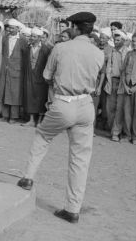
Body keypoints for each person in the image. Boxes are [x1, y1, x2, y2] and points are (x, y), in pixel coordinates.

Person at [16, 12, 104, 224]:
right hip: (86, 105)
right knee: (80, 159)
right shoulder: (98, 53)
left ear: (74, 27)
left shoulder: (61, 48)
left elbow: (46, 76)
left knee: (43, 136)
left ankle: (28, 177)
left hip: (64, 102)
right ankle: (72, 209)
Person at [98, 30, 129, 139]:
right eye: (115, 40)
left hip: (122, 82)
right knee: (109, 108)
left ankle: (116, 132)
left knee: (119, 108)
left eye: (118, 40)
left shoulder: (127, 52)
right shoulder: (112, 52)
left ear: (124, 41)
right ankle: (113, 129)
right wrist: (109, 80)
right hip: (112, 81)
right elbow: (108, 68)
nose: (116, 42)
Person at [21, 26, 51, 127]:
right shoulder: (27, 49)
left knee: (40, 98)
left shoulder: (46, 49)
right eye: (31, 36)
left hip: (41, 78)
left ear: (39, 37)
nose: (31, 38)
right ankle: (31, 120)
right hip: (29, 77)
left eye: (34, 37)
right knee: (29, 97)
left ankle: (40, 121)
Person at [0, 18, 27, 124]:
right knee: (5, 91)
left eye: (12, 28)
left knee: (15, 93)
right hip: (6, 69)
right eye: (9, 28)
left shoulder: (23, 40)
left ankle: (14, 116)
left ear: (18, 29)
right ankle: (5, 115)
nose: (10, 30)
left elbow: (25, 56)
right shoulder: (5, 38)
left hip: (17, 70)